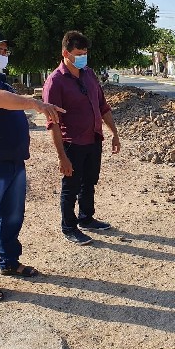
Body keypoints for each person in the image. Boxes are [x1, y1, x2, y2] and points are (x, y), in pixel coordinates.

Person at [0, 29, 65, 302]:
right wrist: (34, 103)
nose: (3, 55)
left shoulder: (2, 81)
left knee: (13, 217)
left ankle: (9, 261)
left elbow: (4, 99)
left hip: (15, 161)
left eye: (5, 51)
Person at [42, 30, 121, 245]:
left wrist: (114, 133)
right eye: (78, 53)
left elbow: (103, 106)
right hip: (72, 144)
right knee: (71, 187)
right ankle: (69, 227)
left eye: (85, 53)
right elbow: (53, 123)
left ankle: (86, 218)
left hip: (93, 140)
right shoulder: (55, 82)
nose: (83, 57)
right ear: (65, 53)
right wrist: (62, 157)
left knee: (89, 182)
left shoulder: (89, 74)